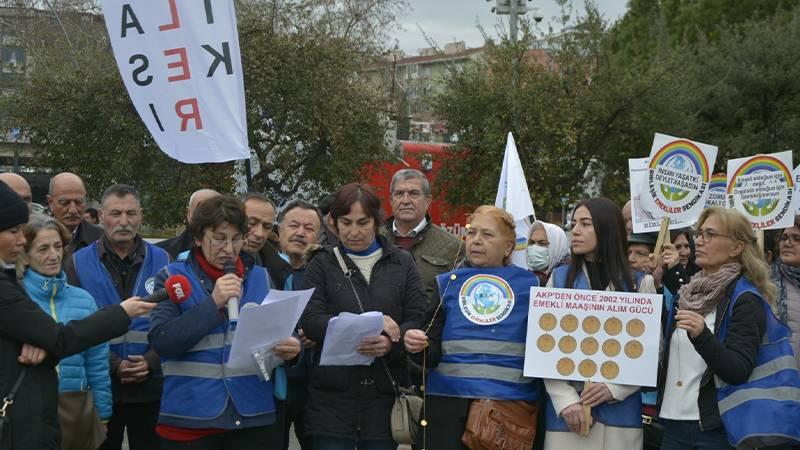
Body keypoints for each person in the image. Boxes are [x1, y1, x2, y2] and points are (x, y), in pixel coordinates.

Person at [0, 180, 155, 449]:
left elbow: (89, 360)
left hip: (67, 411)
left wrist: (39, 342)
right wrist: (121, 312)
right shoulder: (12, 286)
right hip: (20, 413)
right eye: (14, 231)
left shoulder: (160, 258)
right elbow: (60, 338)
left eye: (58, 247)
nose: (21, 239)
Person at [148, 195, 301, 449]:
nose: (229, 249)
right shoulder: (172, 277)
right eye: (219, 239)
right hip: (191, 419)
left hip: (253, 417)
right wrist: (213, 304)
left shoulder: (261, 277)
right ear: (198, 238)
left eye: (236, 239)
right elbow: (163, 341)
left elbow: (285, 330)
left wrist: (293, 349)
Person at [300, 183, 427, 449]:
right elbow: (311, 321)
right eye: (346, 223)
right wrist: (373, 321)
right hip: (330, 402)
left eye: (362, 222)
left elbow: (417, 317)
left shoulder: (402, 262)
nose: (354, 232)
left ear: (377, 221)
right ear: (333, 223)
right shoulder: (321, 264)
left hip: (383, 396)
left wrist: (392, 343)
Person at [404, 205, 541, 450]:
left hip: (508, 408)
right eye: (472, 233)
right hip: (447, 407)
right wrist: (418, 345)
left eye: (487, 235)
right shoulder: (447, 283)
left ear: (508, 246)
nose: (476, 240)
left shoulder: (532, 287)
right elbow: (431, 350)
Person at [657, 207, 795, 449]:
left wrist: (702, 336)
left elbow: (738, 370)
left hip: (714, 431)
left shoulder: (745, 298)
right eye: (699, 233)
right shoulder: (687, 293)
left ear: (736, 248)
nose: (699, 240)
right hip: (672, 424)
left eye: (710, 234)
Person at [544, 197, 655, 450]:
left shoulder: (639, 284)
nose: (575, 230)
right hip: (568, 420)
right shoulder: (558, 280)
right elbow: (545, 347)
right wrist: (566, 402)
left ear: (607, 229)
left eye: (585, 224)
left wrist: (615, 388)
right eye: (574, 223)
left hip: (621, 418)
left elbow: (650, 350)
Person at [65, 184, 171, 450]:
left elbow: (176, 321)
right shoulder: (77, 263)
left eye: (131, 213)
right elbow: (72, 324)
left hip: (152, 387)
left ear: (141, 215)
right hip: (100, 387)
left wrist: (150, 361)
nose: (124, 221)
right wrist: (114, 364)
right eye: (115, 213)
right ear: (101, 216)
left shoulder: (165, 261)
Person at [21, 215, 111, 450]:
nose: (53, 255)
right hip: (26, 412)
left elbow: (97, 362)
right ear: (25, 254)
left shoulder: (84, 299)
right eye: (43, 248)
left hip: (75, 409)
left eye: (58, 246)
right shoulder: (15, 301)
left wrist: (102, 413)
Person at [276, 199, 324, 450]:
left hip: (315, 386)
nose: (300, 233)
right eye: (293, 225)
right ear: (279, 231)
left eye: (309, 228)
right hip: (270, 384)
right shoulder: (262, 270)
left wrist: (320, 333)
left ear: (319, 237)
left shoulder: (328, 273)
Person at [383, 169, 465, 299]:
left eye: (413, 193)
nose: (405, 200)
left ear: (428, 201)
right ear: (391, 200)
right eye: (399, 194)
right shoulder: (373, 239)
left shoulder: (454, 247)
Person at [48, 172, 104, 257]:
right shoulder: (34, 236)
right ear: (50, 202)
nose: (73, 210)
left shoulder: (101, 238)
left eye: (79, 202)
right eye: (64, 203)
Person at [157, 188, 220, 260]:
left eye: (215, 210)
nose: (208, 216)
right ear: (188, 213)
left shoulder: (233, 254)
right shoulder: (160, 254)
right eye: (201, 209)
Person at [771, 216, 800, 370]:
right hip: (781, 377)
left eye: (796, 238)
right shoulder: (766, 283)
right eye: (784, 238)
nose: (788, 243)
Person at [527, 220, 570, 286]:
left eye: (542, 243)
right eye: (531, 243)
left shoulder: (570, 279)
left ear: (557, 247)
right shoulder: (523, 279)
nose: (534, 247)